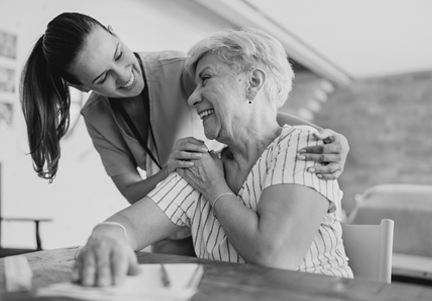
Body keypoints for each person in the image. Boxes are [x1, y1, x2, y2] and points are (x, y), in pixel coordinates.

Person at [20, 12, 349, 256]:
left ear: (115, 33)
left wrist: (323, 135)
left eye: (119, 54)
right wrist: (170, 172)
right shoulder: (97, 117)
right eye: (103, 77)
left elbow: (252, 113)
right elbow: (132, 200)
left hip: (212, 202)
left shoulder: (182, 71)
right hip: (180, 214)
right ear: (82, 86)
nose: (123, 76)